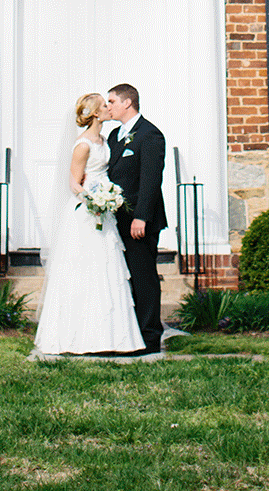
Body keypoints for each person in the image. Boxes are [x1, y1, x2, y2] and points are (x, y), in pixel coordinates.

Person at [33, 91, 145, 356]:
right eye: (104, 106)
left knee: (106, 270)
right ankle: (77, 339)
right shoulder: (82, 144)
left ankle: (113, 338)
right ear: (95, 113)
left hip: (103, 214)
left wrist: (107, 199)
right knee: (84, 269)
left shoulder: (105, 139)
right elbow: (73, 182)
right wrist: (93, 199)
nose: (109, 108)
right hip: (87, 213)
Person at [107, 83, 167, 356]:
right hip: (115, 220)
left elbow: (151, 182)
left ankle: (150, 337)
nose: (108, 107)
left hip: (138, 221)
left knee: (143, 277)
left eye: (111, 102)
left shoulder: (150, 135)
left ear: (127, 103)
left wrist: (141, 217)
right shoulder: (112, 137)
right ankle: (127, 335)